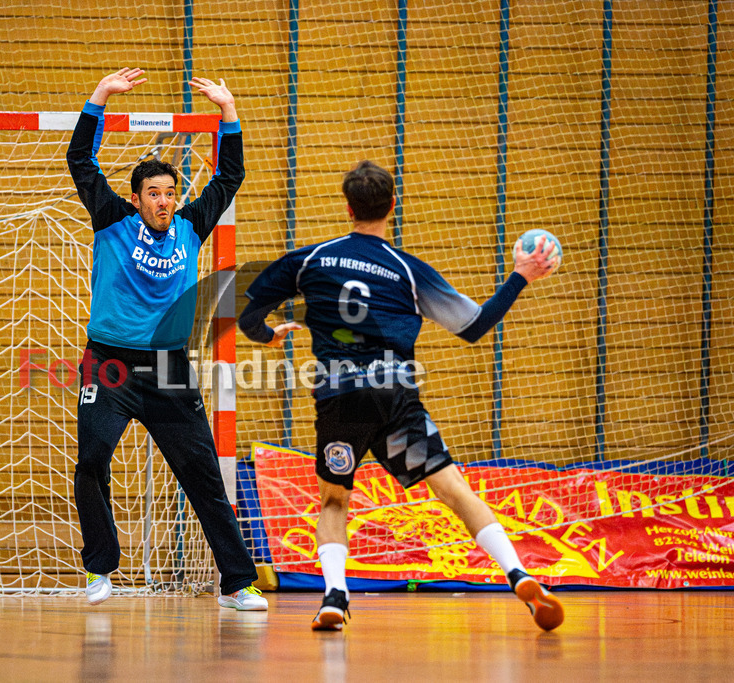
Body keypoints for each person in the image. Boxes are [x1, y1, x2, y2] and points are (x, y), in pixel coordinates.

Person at [237, 160, 564, 631]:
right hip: (394, 394)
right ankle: (519, 574)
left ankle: (334, 596)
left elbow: (248, 312)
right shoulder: (408, 271)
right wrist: (520, 277)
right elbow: (475, 326)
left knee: (334, 501)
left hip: (339, 397)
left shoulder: (309, 260)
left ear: (348, 207)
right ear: (392, 206)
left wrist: (266, 335)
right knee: (453, 490)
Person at [65, 68, 266, 610]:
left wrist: (228, 111)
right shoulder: (110, 219)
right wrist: (100, 97)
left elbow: (229, 178)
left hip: (170, 369)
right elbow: (80, 163)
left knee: (202, 472)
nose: (163, 201)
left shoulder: (191, 227)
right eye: (153, 193)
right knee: (93, 458)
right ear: (135, 199)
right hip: (108, 365)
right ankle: (100, 569)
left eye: (169, 193)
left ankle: (236, 582)